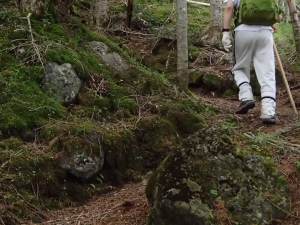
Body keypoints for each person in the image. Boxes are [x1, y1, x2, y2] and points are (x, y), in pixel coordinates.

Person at [222, 0, 280, 124]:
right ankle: (268, 112)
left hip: (243, 31)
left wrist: (225, 32)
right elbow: (278, 17)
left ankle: (246, 96)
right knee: (267, 72)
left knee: (239, 68)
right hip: (265, 32)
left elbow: (229, 7)